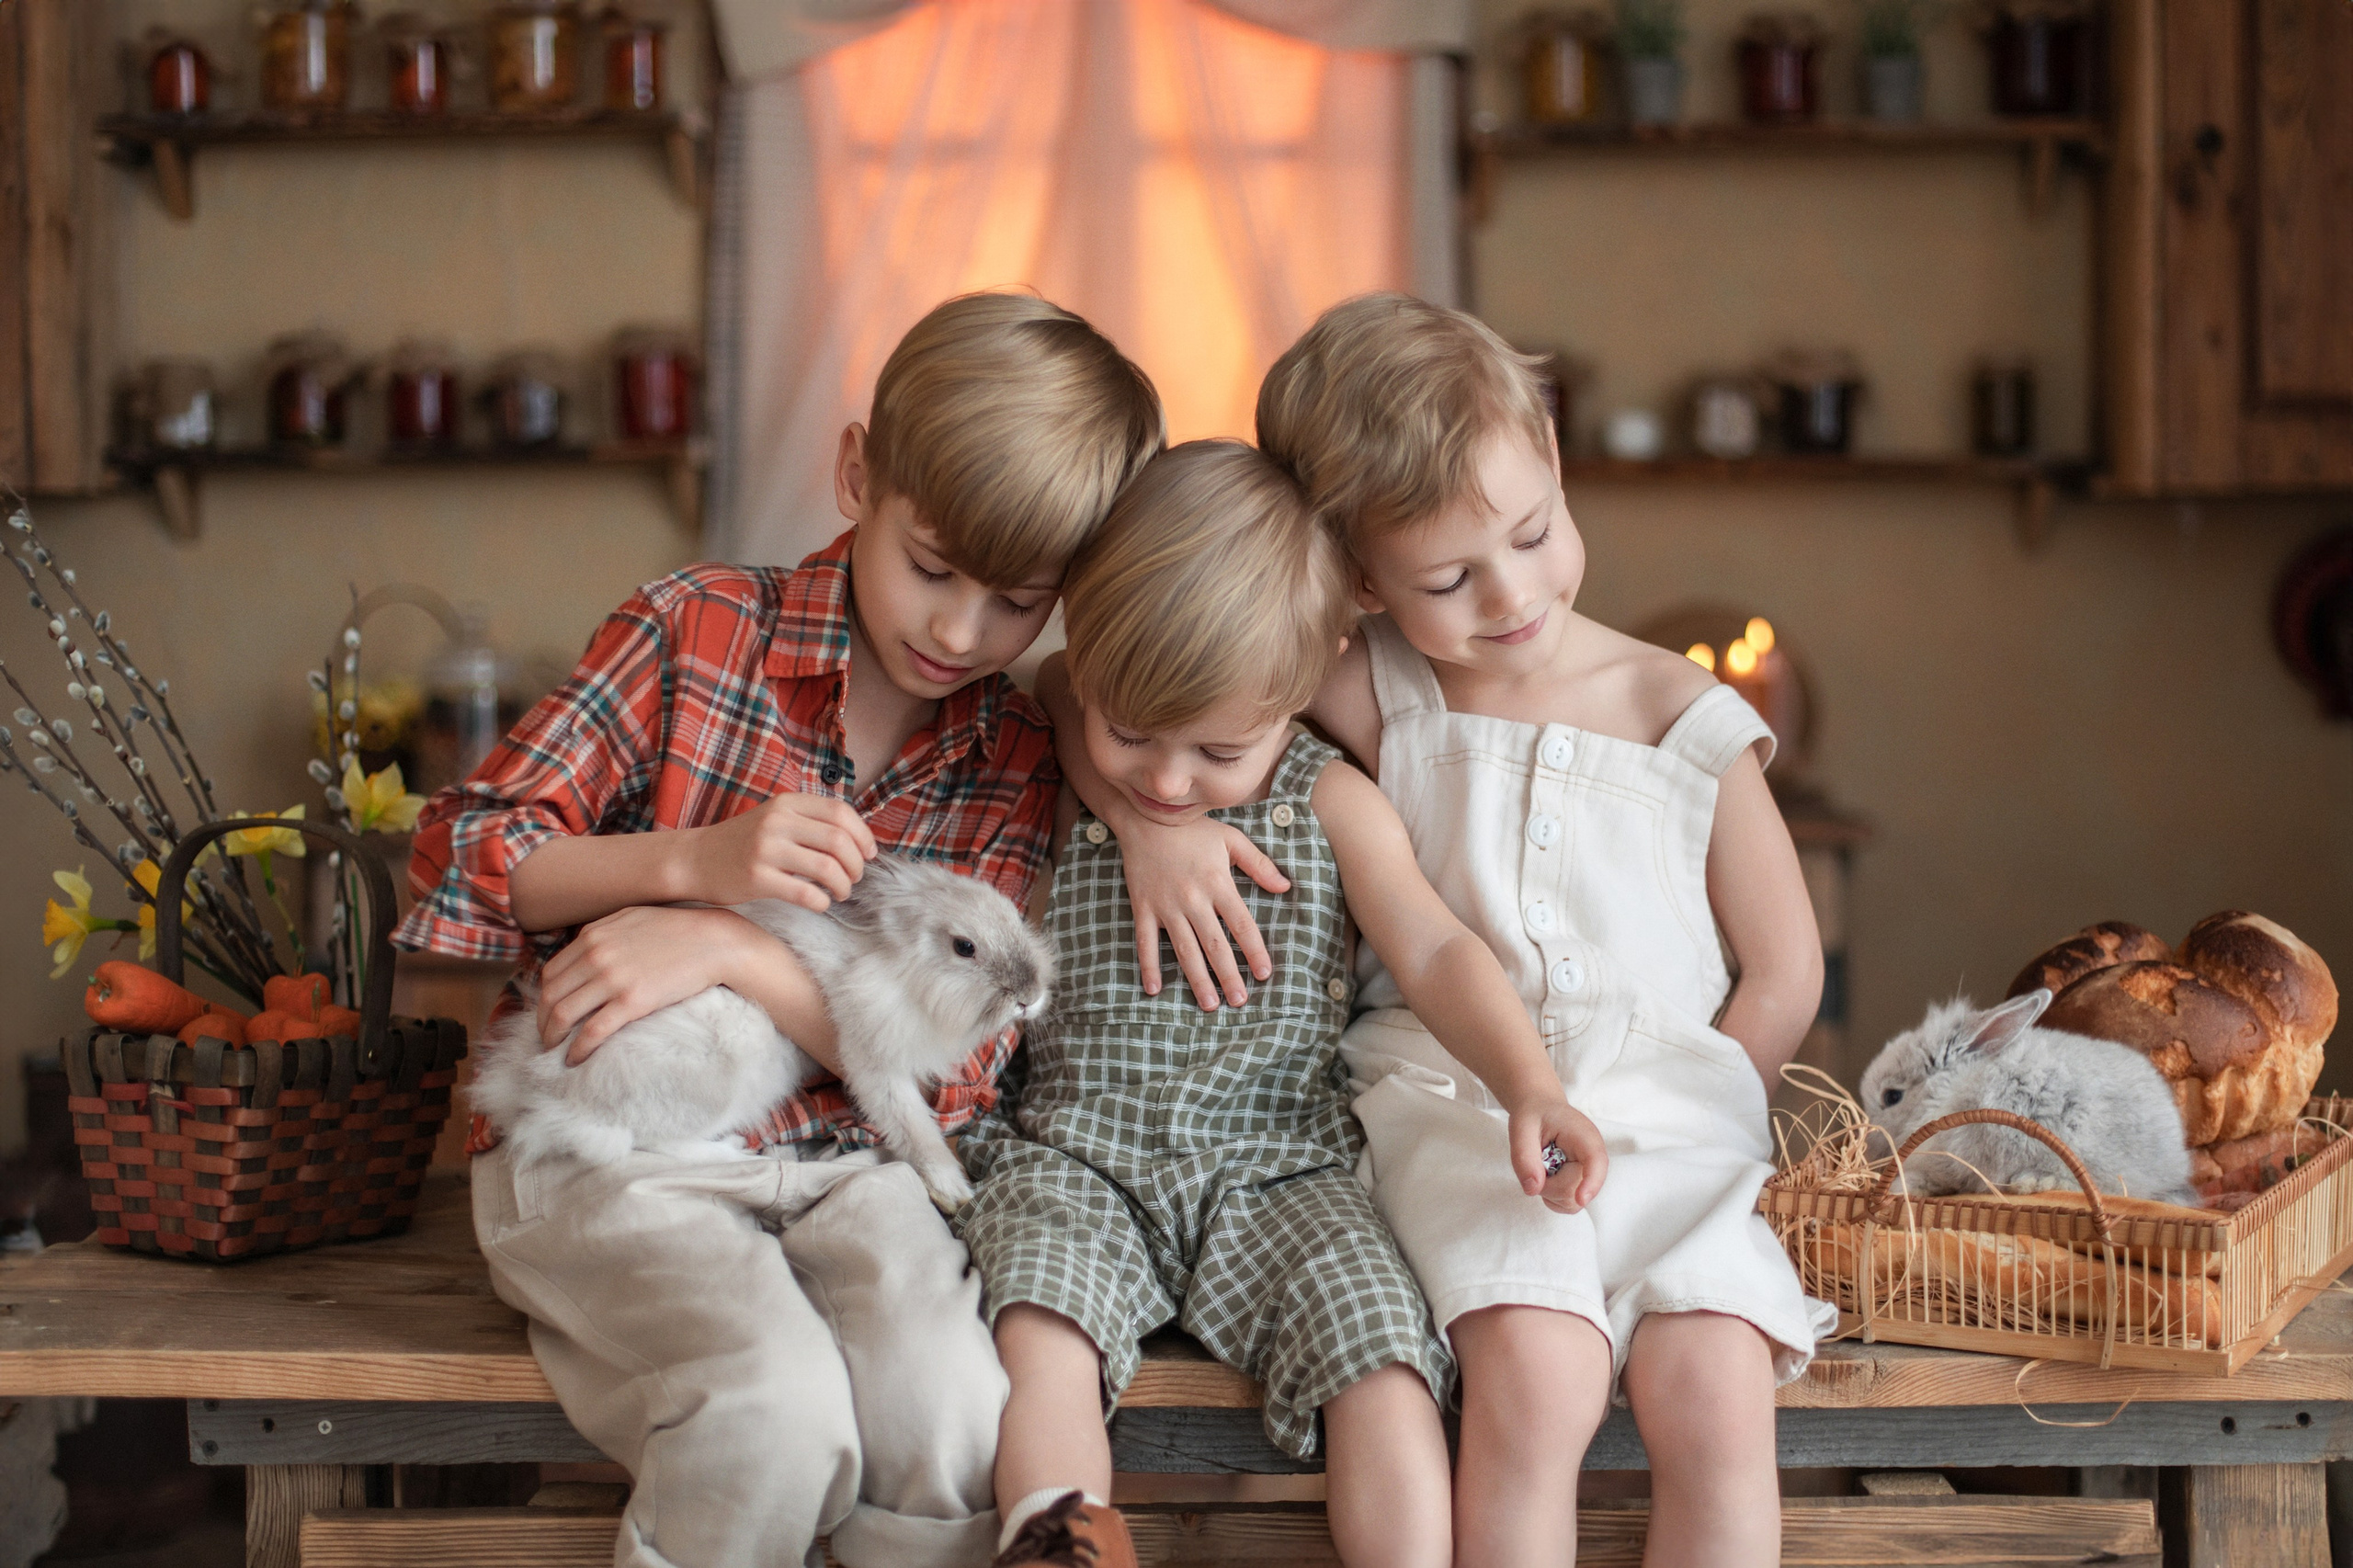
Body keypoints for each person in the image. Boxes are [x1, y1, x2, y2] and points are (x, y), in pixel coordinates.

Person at [1061, 295, 1836, 1567]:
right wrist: (1148, 823)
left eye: (1531, 533)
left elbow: (1785, 966)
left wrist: (1695, 1117)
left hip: (1674, 1125)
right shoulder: (1373, 684)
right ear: (1359, 579)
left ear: (1552, 453)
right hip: (1458, 1108)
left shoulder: (1682, 713)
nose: (1512, 593)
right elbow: (1086, 675)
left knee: (1716, 1390)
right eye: (1446, 578)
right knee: (1537, 1373)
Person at [395, 292, 1163, 1568]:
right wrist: (692, 864)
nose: (960, 631)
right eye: (932, 568)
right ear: (858, 472)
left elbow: (959, 1076)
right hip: (614, 1147)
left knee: (954, 1409)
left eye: (1019, 602)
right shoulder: (693, 628)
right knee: (776, 1407)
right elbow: (458, 852)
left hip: (853, 1165)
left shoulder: (1016, 749)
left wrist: (737, 949)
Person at [963, 440, 1608, 1568]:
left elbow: (1437, 949)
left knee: (1380, 1348)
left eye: (1217, 749)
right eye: (1130, 735)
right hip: (1076, 1154)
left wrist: (1530, 1082)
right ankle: (1063, 1540)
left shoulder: (1330, 798)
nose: (1166, 781)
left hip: (1278, 1167)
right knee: (1038, 1322)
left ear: (1310, 675)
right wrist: (1132, 816)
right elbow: (1057, 683)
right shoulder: (1069, 751)